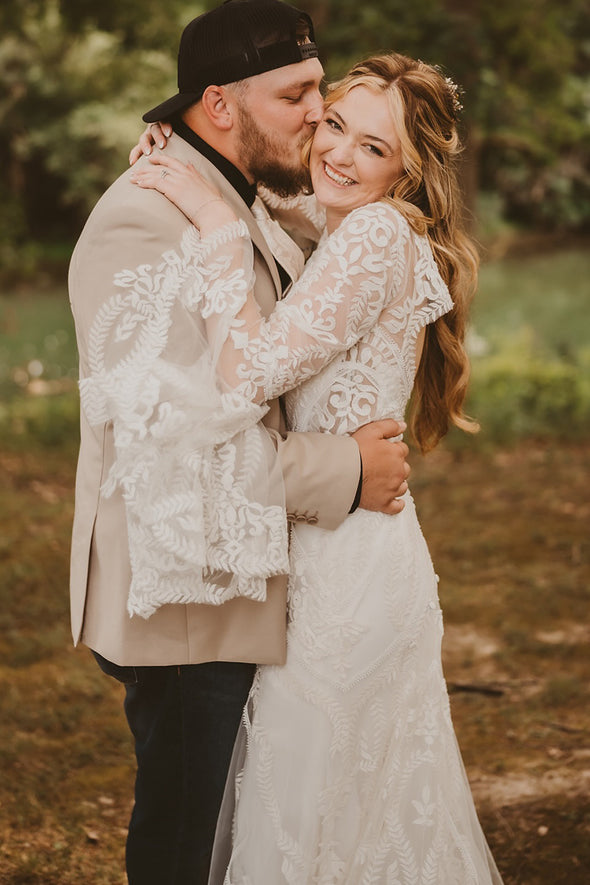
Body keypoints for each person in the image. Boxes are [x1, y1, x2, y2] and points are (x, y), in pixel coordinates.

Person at [128, 52, 504, 883]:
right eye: (335, 124)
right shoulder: (349, 223)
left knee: (312, 807)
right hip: (347, 545)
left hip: (346, 570)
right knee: (345, 809)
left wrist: (211, 216)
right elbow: (288, 200)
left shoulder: (374, 234)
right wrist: (197, 159)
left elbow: (250, 373)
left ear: (407, 171)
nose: (339, 153)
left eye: (374, 147)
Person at [67, 2, 409, 884]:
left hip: (238, 576)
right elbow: (177, 446)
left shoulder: (228, 184)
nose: (318, 114)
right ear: (221, 104)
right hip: (189, 599)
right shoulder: (145, 219)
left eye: (321, 91)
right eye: (298, 94)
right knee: (186, 841)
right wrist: (350, 469)